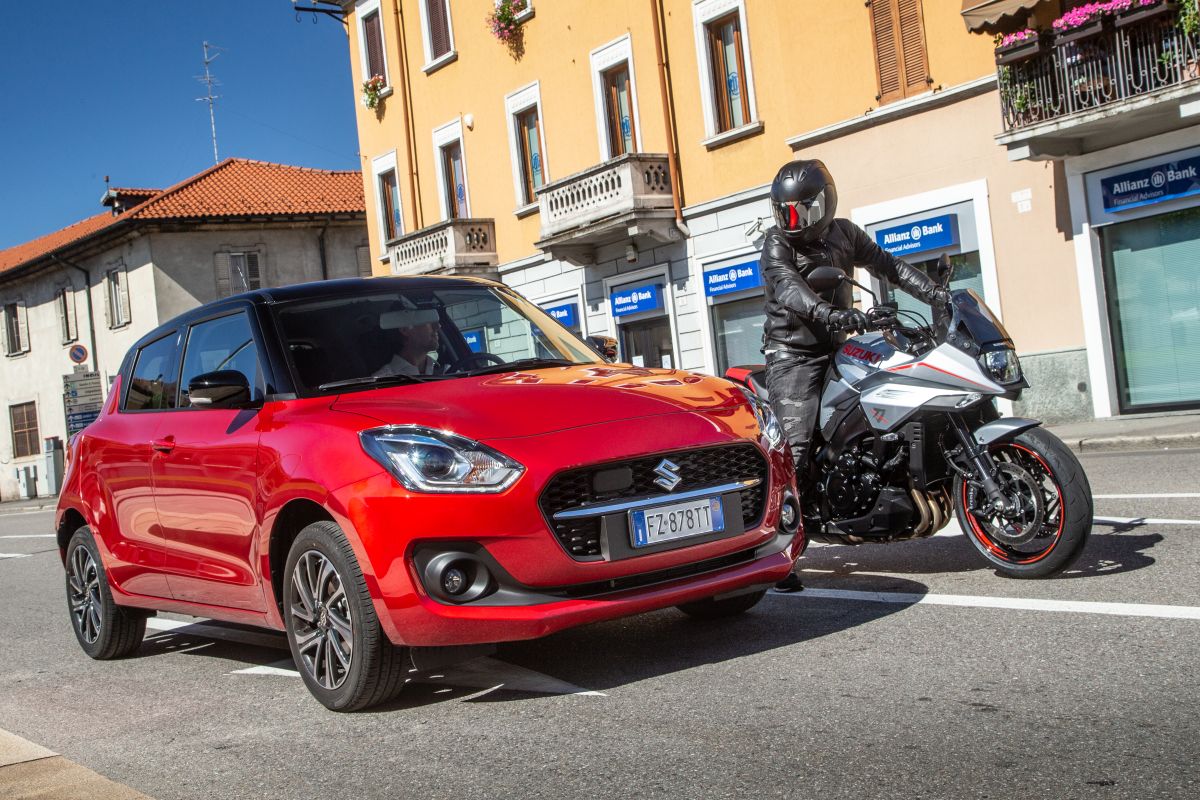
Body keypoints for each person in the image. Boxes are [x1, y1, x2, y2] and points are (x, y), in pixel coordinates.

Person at [760, 159, 950, 592]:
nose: (793, 221)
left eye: (802, 211)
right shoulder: (776, 245)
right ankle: (780, 552)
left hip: (840, 343)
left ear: (824, 203)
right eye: (784, 212)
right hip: (793, 356)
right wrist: (833, 314)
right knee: (795, 450)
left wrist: (936, 293)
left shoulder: (845, 233)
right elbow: (790, 289)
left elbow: (889, 266)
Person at [373, 305, 442, 377]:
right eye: (427, 320)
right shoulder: (383, 379)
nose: (438, 326)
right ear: (404, 330)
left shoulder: (444, 369)